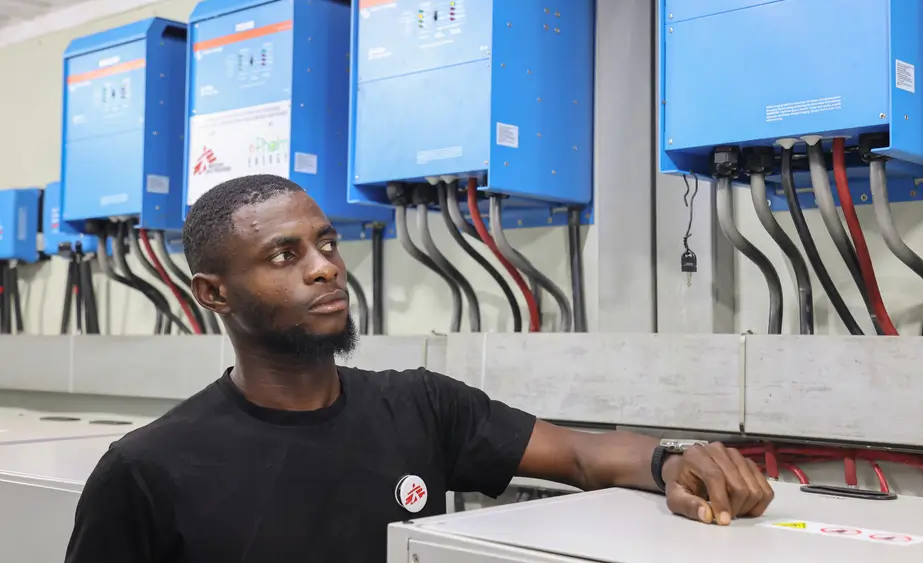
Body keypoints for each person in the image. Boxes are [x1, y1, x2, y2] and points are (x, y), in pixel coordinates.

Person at [65, 174, 774, 562]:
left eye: (326, 243)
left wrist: (676, 461)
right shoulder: (148, 469)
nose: (325, 268)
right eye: (285, 255)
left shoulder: (423, 407)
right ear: (214, 292)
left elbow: (585, 455)